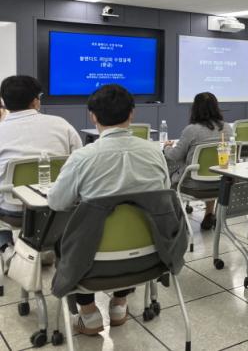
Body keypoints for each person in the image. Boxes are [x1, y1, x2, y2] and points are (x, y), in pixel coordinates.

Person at [48, 84, 170, 336]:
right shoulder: (154, 152)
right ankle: (119, 304)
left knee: (71, 234)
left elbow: (57, 203)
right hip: (150, 256)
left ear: (93, 116)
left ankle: (89, 313)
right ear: (132, 114)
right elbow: (164, 196)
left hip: (91, 262)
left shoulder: (82, 157)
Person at [0, 76, 82, 264]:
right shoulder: (61, 124)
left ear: (4, 101)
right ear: (35, 101)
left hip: (12, 213)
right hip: (56, 210)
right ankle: (48, 246)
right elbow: (80, 162)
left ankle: (5, 246)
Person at [163, 92, 232, 230]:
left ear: (195, 108)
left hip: (193, 185)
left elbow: (175, 156)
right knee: (211, 172)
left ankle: (178, 219)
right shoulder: (227, 128)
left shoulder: (191, 130)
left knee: (169, 178)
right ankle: (209, 214)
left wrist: (166, 147)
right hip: (221, 184)